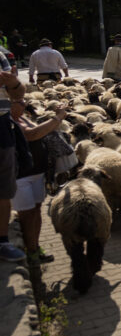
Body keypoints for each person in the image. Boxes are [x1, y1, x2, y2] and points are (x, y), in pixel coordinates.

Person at [10, 96, 68, 264]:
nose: (24, 103)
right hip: (21, 176)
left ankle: (34, 246)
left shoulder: (21, 116)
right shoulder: (7, 120)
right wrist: (58, 117)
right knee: (27, 214)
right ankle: (32, 251)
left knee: (36, 211)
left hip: (36, 172)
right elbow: (33, 134)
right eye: (18, 101)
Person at [0, 68, 27, 261]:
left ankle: (3, 242)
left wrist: (13, 84)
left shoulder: (0, 57)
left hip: (2, 129)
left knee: (4, 191)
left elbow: (19, 93)